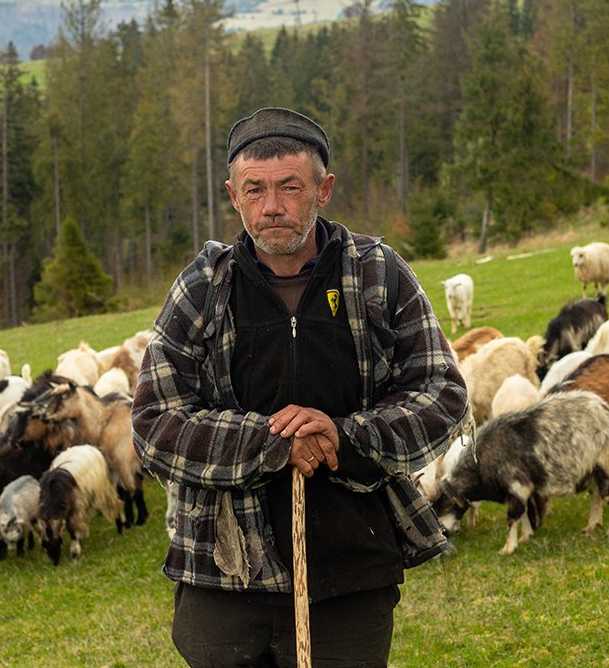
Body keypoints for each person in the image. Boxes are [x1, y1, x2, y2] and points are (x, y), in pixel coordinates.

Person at [132, 107, 467, 667]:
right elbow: (154, 421)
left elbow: (441, 392)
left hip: (347, 566)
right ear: (233, 195)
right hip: (224, 568)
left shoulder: (376, 274)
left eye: (290, 187)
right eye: (255, 189)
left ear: (324, 189)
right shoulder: (204, 287)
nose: (272, 207)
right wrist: (271, 441)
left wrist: (342, 436)